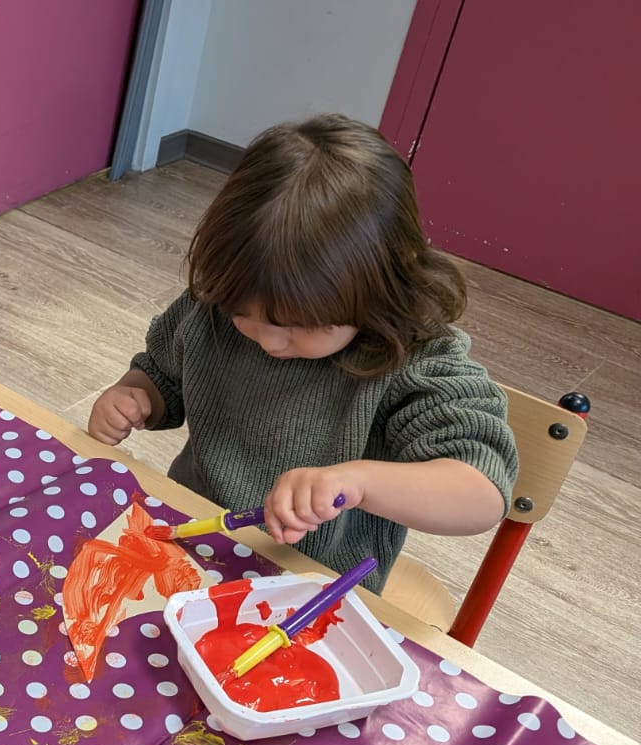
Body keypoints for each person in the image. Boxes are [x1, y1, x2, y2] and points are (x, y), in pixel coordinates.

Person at [87, 113, 518, 590]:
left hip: (311, 589)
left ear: (380, 291)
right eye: (242, 314)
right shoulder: (212, 304)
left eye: (304, 325)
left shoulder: (416, 357)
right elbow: (161, 375)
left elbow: (481, 493)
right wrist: (134, 396)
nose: (269, 340)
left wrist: (359, 482)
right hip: (194, 546)